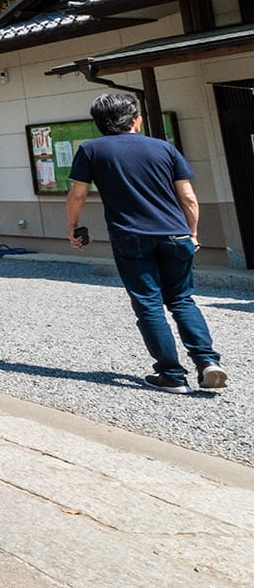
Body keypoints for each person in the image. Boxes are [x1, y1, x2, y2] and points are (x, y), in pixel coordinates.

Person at [66, 91, 228, 393]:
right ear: (134, 119)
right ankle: (207, 361)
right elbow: (188, 197)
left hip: (131, 237)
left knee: (149, 303)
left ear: (100, 122)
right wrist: (192, 233)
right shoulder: (164, 148)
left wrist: (72, 226)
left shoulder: (91, 150)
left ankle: (171, 374)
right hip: (176, 234)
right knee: (181, 299)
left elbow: (78, 194)